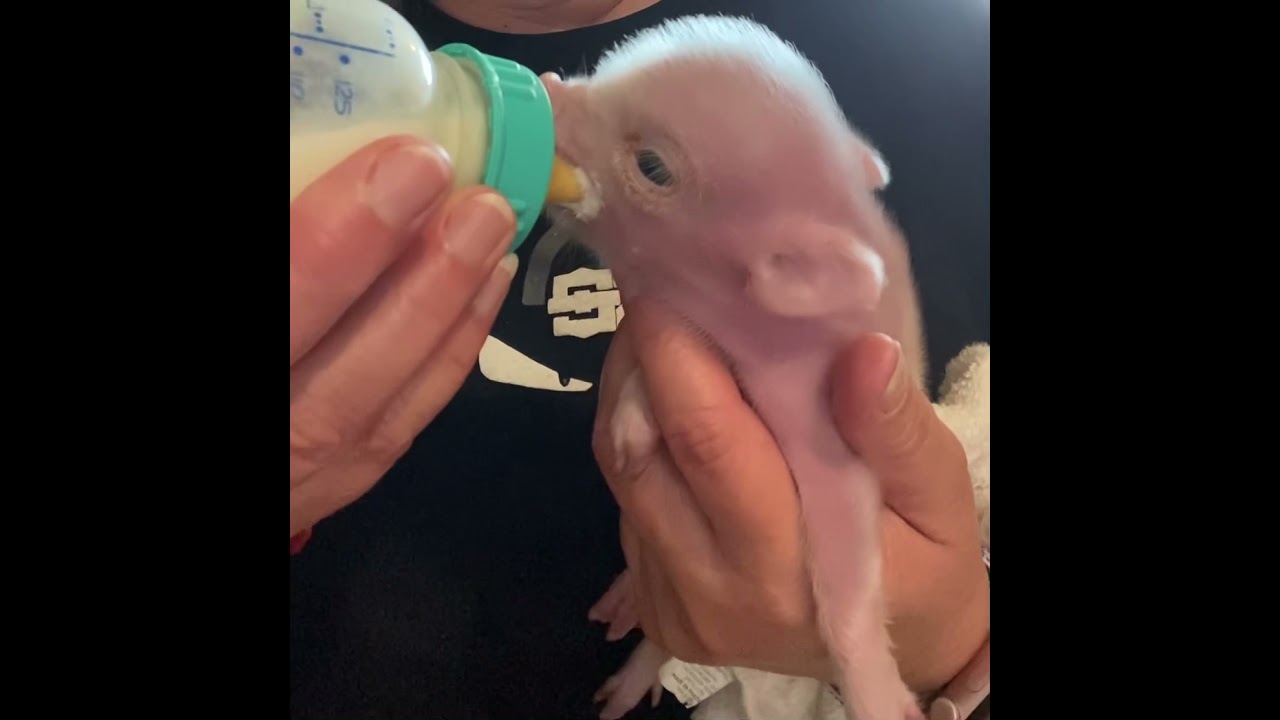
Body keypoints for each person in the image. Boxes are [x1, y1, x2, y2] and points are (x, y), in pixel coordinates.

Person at [289, 1, 990, 718]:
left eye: (653, 164)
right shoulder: (319, 56)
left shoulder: (951, 62)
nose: (557, 92)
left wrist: (960, 638)